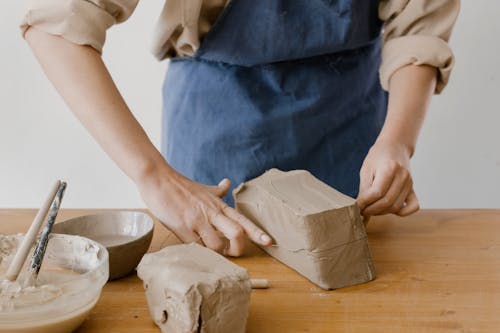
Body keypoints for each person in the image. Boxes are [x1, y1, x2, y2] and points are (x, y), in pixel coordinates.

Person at [21, 0, 460, 256]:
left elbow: (417, 28)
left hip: (348, 124)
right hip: (217, 125)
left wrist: (398, 142)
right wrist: (154, 177)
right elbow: (56, 28)